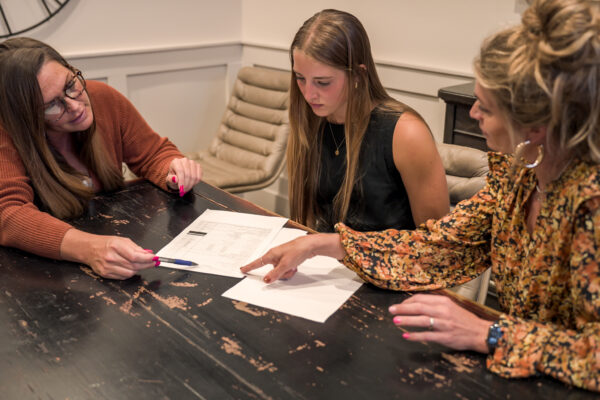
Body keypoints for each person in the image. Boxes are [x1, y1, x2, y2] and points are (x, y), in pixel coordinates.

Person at [243, 0, 600, 391]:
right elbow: (439, 246)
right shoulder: (518, 176)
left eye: (488, 106)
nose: (474, 112)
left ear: (536, 127)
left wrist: (492, 334)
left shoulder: (589, 202)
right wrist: (326, 244)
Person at [0, 37, 203, 280]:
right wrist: (90, 248)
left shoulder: (102, 98)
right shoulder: (7, 133)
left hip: (111, 256)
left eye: (71, 84)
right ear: (25, 116)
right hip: (38, 274)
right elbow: (9, 214)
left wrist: (173, 170)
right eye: (51, 105)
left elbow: (153, 153)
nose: (75, 106)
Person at [287, 9, 449, 234]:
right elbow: (307, 223)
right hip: (326, 263)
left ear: (358, 75)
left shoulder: (406, 133)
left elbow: (437, 245)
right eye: (300, 79)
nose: (308, 94)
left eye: (322, 82)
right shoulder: (312, 119)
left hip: (389, 266)